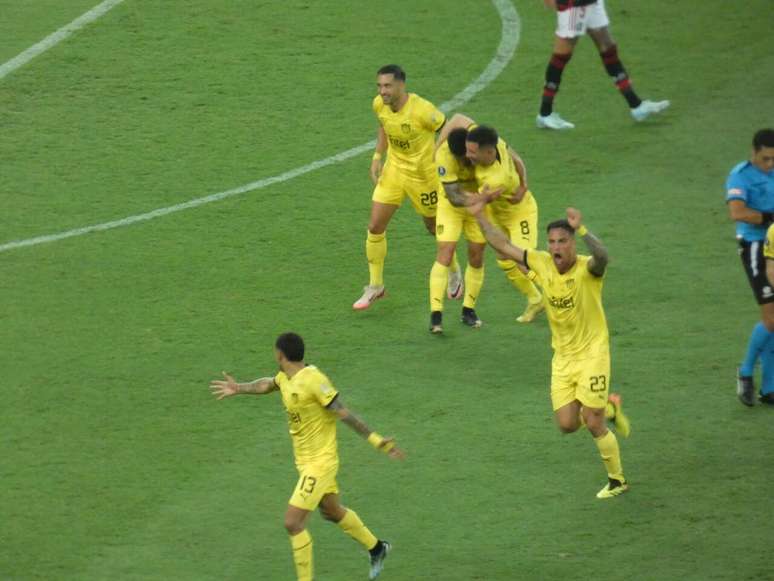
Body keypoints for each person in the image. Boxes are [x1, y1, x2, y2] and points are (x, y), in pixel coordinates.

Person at [467, 201, 631, 498]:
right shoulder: (541, 262)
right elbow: (502, 245)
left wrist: (582, 228)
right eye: (552, 241)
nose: (556, 247)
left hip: (593, 352)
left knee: (592, 423)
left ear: (572, 243)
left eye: (563, 241)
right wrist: (479, 214)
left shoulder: (587, 269)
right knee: (567, 424)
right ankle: (609, 407)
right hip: (563, 358)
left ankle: (617, 480)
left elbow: (603, 256)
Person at [209, 332, 404, 580]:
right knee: (332, 511)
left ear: (280, 354)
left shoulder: (314, 380)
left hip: (321, 463)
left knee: (292, 522)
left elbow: (343, 413)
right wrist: (239, 388)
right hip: (305, 462)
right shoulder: (285, 377)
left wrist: (377, 441)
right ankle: (377, 548)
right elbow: (266, 384)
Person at [354, 64, 463, 310]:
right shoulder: (379, 104)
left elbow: (449, 127)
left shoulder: (423, 110)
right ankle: (375, 285)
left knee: (434, 228)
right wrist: (377, 155)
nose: (383, 91)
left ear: (402, 85)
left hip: (424, 178)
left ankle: (454, 271)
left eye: (388, 86)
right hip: (394, 171)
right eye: (380, 86)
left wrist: (440, 155)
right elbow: (383, 124)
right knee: (374, 225)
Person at [536, 0, 670, 130]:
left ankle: (637, 106)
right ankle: (545, 114)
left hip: (593, 2)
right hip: (574, 6)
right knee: (562, 55)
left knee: (608, 47)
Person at [459, 124, 544, 329]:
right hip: (499, 216)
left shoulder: (495, 179)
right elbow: (516, 158)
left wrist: (451, 186)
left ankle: (559, 293)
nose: (467, 155)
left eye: (472, 152)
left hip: (520, 214)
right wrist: (524, 183)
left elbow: (478, 200)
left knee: (524, 261)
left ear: (487, 152)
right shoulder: (499, 144)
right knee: (505, 262)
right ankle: (535, 299)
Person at [728, 129, 774, 406]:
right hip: (756, 246)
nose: (770, 165)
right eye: (766, 159)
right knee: (771, 318)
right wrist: (769, 217)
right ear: (754, 151)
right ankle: (745, 372)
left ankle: (769, 388)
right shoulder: (740, 175)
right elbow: (737, 212)